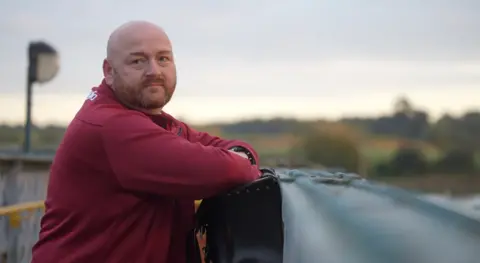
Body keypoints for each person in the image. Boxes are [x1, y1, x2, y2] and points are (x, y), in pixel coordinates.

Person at [31, 20, 261, 263]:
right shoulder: (113, 126)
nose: (154, 71)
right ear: (109, 71)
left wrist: (239, 156)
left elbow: (232, 149)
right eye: (138, 61)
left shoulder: (153, 121)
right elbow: (227, 169)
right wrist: (240, 163)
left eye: (163, 59)